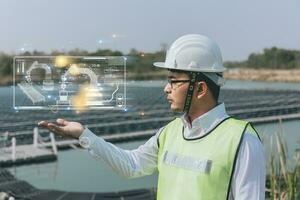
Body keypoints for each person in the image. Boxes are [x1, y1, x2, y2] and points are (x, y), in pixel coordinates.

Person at [38, 34, 266, 200]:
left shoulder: (242, 141)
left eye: (174, 81)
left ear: (201, 89)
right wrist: (83, 134)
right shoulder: (170, 133)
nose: (166, 89)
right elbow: (130, 165)